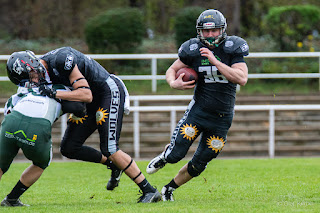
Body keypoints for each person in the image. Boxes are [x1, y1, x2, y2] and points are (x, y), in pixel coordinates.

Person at [19, 47, 160, 203]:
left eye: (30, 76)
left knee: (110, 148)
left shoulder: (61, 59)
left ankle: (149, 190)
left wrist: (53, 93)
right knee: (69, 147)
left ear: (34, 66)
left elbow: (86, 94)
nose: (33, 82)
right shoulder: (42, 73)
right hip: (88, 102)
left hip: (107, 92)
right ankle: (114, 165)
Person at [146, 9, 249, 201]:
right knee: (177, 154)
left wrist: (213, 60)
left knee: (201, 162)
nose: (210, 35)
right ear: (199, 32)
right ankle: (166, 156)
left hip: (222, 117)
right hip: (199, 111)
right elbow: (172, 69)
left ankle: (169, 189)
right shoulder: (192, 48)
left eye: (214, 31)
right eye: (206, 31)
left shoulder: (232, 47)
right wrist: (172, 83)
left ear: (222, 30)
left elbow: (241, 78)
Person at [0, 50, 86, 207]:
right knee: (41, 162)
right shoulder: (58, 87)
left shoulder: (19, 92)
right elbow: (79, 105)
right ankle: (12, 199)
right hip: (37, 126)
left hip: (10, 122)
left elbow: (8, 111)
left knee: (1, 164)